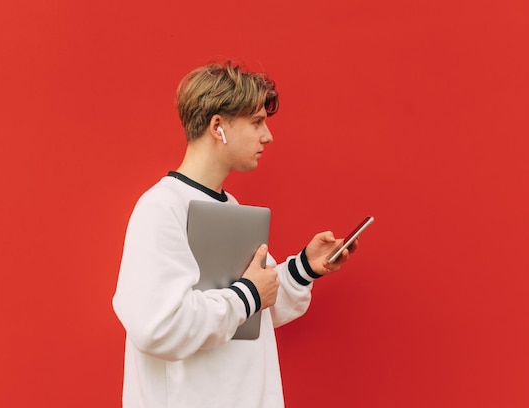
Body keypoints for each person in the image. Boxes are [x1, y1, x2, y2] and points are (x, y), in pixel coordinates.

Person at [112, 60, 360, 408]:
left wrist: (306, 267)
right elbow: (157, 327)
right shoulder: (161, 208)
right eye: (256, 122)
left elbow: (255, 306)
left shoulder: (230, 206)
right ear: (219, 127)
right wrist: (247, 295)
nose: (267, 136)